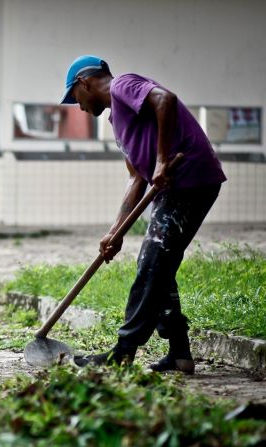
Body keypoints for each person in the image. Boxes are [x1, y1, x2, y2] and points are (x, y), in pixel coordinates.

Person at [60, 55, 226, 374]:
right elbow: (137, 177)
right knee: (156, 264)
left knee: (153, 261)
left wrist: (162, 160)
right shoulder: (117, 121)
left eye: (75, 97)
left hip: (189, 178)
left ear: (85, 83)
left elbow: (165, 99)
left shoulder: (123, 85)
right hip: (172, 188)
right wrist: (115, 231)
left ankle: (124, 351)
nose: (78, 107)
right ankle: (179, 352)